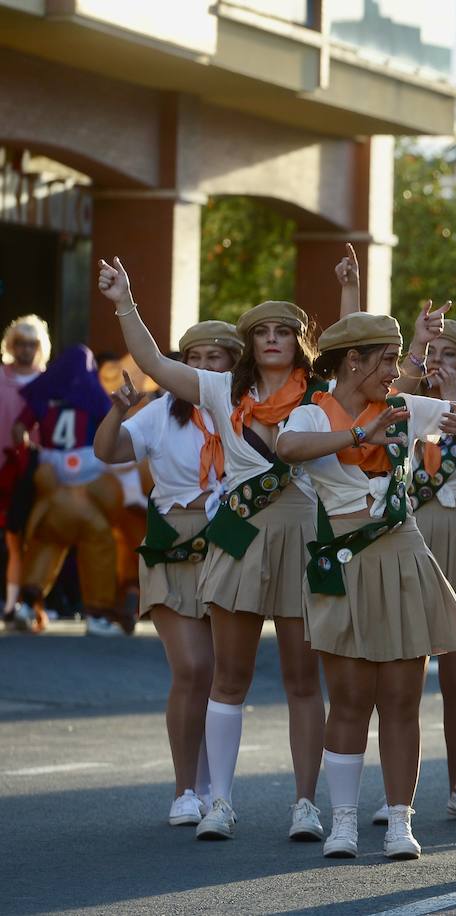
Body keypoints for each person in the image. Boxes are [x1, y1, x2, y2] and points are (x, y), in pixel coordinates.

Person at [97, 257, 327, 844]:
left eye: (283, 331)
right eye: (262, 332)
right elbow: (151, 361)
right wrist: (125, 301)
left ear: (299, 342)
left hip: (299, 534)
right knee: (226, 674)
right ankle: (214, 800)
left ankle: (307, 805)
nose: (272, 340)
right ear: (251, 344)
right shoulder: (226, 391)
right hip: (237, 536)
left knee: (304, 677)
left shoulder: (320, 394)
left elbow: (360, 360)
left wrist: (349, 291)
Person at [275, 311, 456, 860]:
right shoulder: (313, 415)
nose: (398, 370)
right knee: (348, 700)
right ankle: (342, 822)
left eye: (398, 358)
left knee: (401, 699)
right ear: (353, 361)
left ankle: (399, 821)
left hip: (403, 554)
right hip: (344, 559)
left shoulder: (403, 408)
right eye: (388, 360)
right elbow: (287, 449)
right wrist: (357, 434)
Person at [92, 321, 241, 826]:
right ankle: (184, 791)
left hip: (228, 545)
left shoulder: (243, 414)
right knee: (191, 669)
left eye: (214, 358)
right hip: (172, 544)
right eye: (192, 357)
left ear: (231, 367)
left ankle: (211, 789)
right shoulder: (159, 413)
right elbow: (107, 452)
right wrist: (119, 412)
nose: (201, 367)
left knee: (220, 674)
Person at [374, 314, 456, 826]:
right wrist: (416, 367)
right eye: (432, 354)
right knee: (400, 677)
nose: (437, 363)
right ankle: (394, 795)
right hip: (413, 536)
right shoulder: (406, 409)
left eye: (448, 355)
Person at [9, 345, 127, 634]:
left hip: (53, 488)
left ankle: (27, 604)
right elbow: (114, 429)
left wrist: (30, 454)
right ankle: (97, 615)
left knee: (45, 543)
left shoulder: (46, 394)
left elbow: (17, 431)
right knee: (99, 542)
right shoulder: (93, 393)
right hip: (87, 486)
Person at [0, 314, 49, 620]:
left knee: (28, 535)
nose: (26, 349)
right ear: (11, 345)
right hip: (2, 466)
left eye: (32, 344)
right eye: (20, 343)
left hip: (34, 469)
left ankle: (24, 604)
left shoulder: (48, 381)